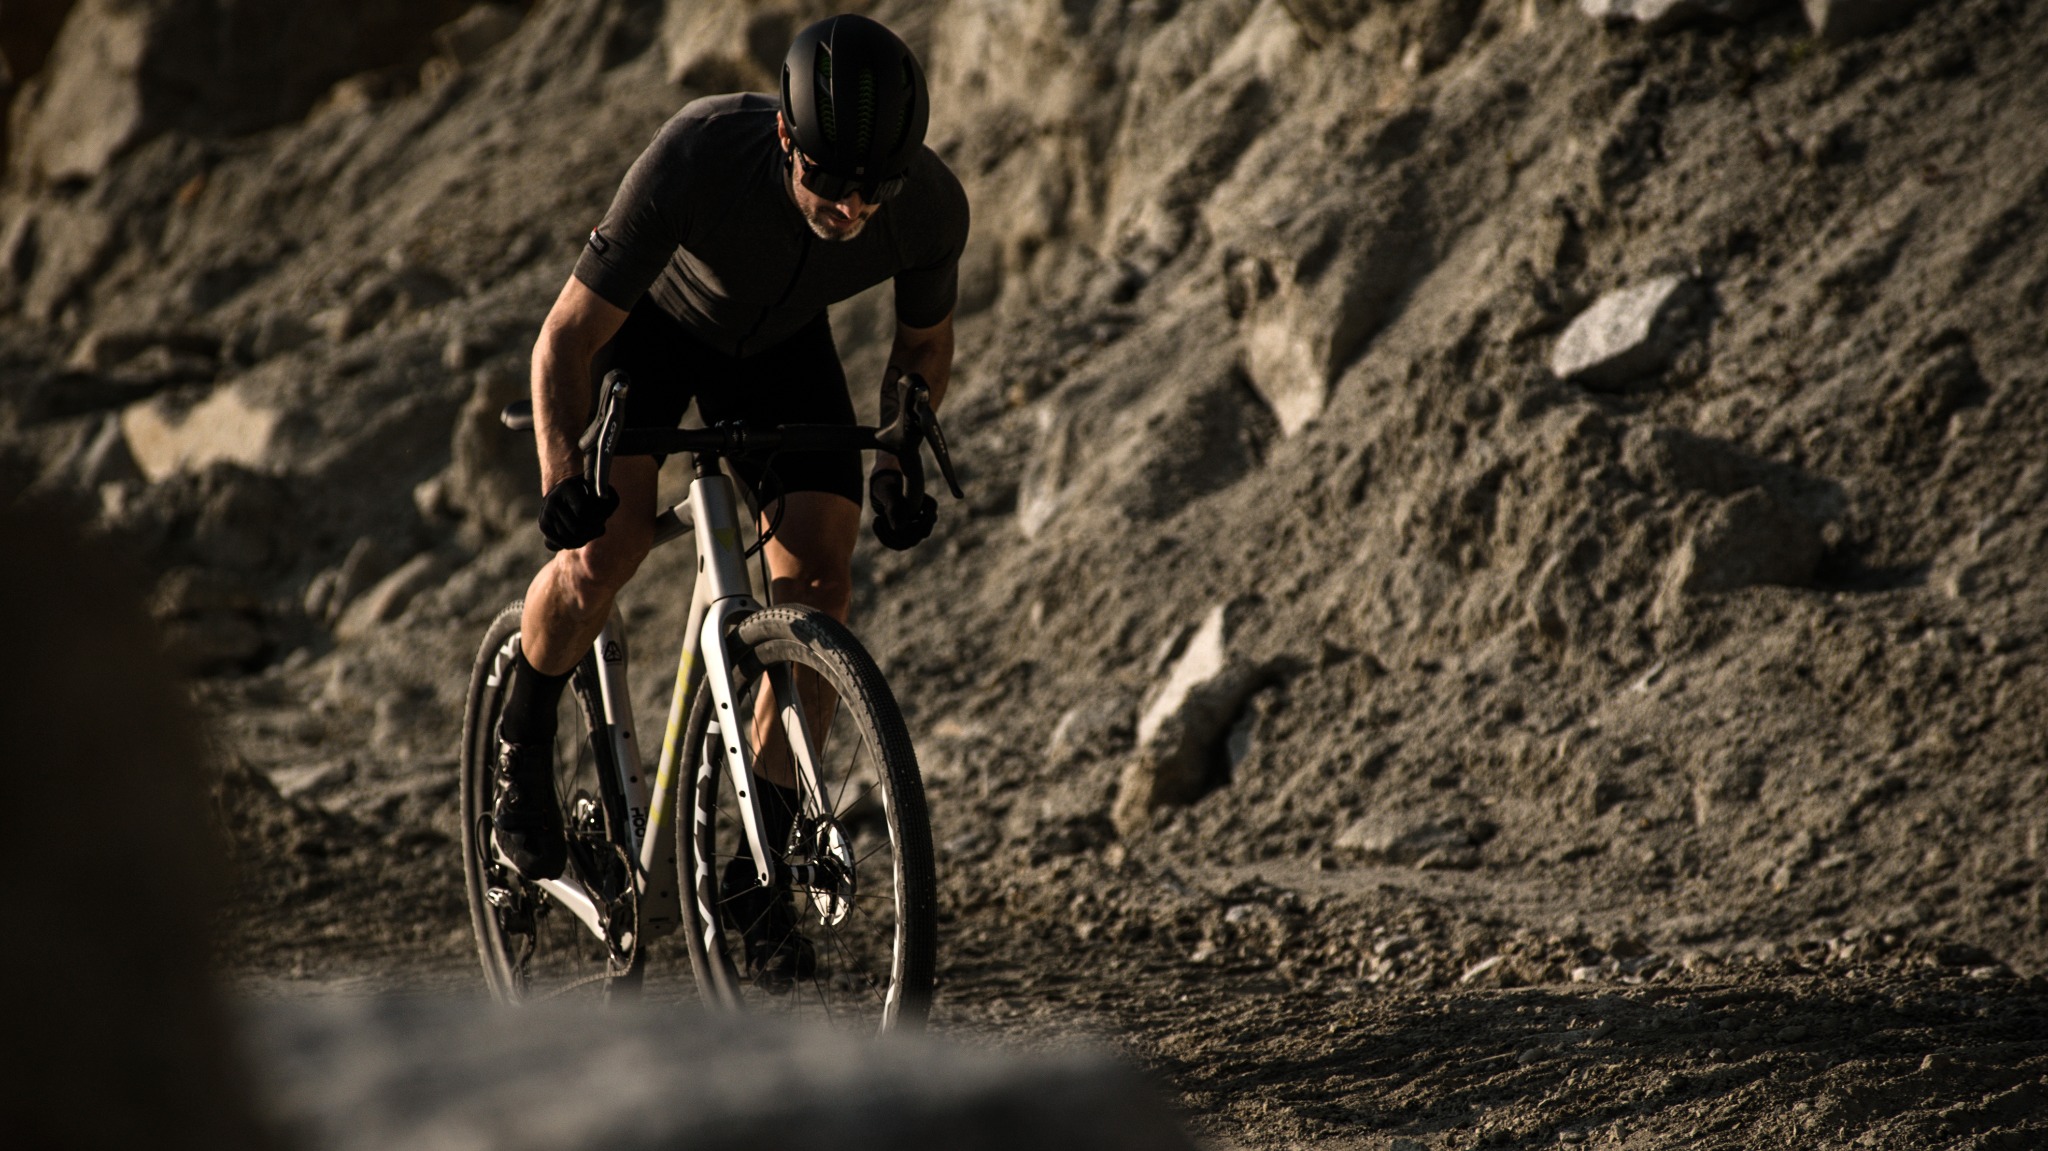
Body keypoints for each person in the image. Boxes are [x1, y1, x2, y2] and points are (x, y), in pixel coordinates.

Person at [491, 13, 968, 988]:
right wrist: (556, 481)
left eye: (873, 186)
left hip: (781, 349)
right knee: (603, 556)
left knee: (821, 584)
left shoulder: (924, 204)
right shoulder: (700, 153)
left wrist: (891, 470)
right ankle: (522, 733)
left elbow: (920, 351)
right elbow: (564, 342)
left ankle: (759, 856)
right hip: (653, 335)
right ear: (786, 138)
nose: (850, 206)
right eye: (829, 179)